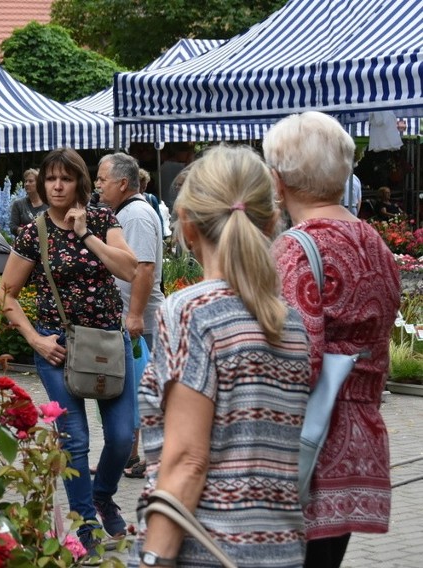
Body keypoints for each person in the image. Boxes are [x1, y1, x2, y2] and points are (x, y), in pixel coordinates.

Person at [137, 144, 311, 568]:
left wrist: (151, 559)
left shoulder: (191, 311)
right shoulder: (290, 322)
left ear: (188, 226)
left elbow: (187, 461)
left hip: (205, 550)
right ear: (270, 222)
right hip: (282, 550)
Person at [265, 111, 401, 568]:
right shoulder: (375, 243)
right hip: (358, 438)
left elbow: (295, 360)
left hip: (307, 446)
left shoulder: (297, 248)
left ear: (278, 180)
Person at [0, 147, 138, 562]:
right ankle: (84, 524)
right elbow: (6, 294)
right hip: (57, 346)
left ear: (80, 182)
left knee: (122, 436)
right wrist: (35, 339)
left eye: (66, 178)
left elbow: (130, 269)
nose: (57, 186)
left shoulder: (102, 220)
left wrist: (85, 235)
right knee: (75, 440)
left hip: (109, 342)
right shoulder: (32, 232)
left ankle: (102, 495)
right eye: (50, 179)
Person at [96, 153, 164, 480]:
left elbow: (144, 268)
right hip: (132, 318)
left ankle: (144, 457)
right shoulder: (127, 211)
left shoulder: (135, 215)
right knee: (133, 389)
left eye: (102, 180)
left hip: (140, 321)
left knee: (142, 390)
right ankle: (131, 455)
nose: (97, 186)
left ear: (123, 183)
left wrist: (134, 315)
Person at [9, 168, 48, 236]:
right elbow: (12, 227)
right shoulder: (18, 204)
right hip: (25, 243)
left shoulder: (49, 204)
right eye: (26, 181)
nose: (27, 184)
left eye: (30, 181)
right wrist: (22, 230)